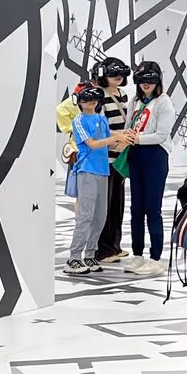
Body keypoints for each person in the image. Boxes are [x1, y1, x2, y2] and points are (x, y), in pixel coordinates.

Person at [67, 85, 127, 274]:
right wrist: (114, 138)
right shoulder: (78, 120)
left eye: (94, 99)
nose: (91, 102)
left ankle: (90, 254)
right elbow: (92, 144)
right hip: (87, 171)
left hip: (103, 171)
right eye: (86, 99)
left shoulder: (101, 119)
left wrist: (123, 140)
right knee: (86, 216)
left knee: (100, 216)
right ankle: (74, 258)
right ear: (79, 102)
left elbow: (108, 142)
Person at [124, 61, 174, 276]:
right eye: (142, 80)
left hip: (155, 156)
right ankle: (137, 254)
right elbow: (128, 126)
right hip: (136, 155)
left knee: (153, 209)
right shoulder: (134, 101)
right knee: (136, 208)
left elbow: (161, 135)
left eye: (151, 80)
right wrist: (127, 137)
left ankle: (156, 258)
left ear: (158, 81)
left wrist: (138, 139)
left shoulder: (163, 102)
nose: (146, 84)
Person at [94, 56, 132, 265]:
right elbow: (98, 128)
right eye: (113, 74)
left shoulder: (123, 95)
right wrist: (118, 137)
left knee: (117, 204)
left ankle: (114, 246)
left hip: (120, 158)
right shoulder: (99, 96)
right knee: (105, 206)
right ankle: (103, 249)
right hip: (105, 159)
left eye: (121, 74)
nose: (118, 77)